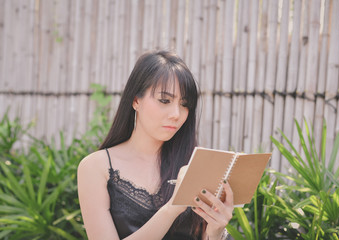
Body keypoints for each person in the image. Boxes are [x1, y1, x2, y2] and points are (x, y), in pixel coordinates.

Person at [77, 50, 234, 240]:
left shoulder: (191, 164)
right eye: (164, 100)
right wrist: (171, 209)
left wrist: (215, 232)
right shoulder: (96, 167)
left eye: (184, 104)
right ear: (136, 100)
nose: (176, 113)